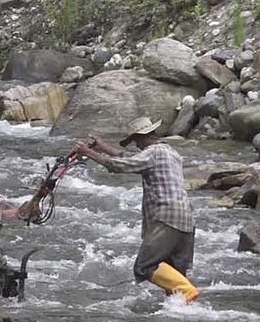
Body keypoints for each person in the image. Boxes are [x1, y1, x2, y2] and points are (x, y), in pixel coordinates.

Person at [72, 117, 200, 303]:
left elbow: (119, 165)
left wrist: (89, 153)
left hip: (166, 218)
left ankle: (187, 292)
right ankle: (183, 309)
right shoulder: (170, 151)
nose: (137, 145)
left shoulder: (153, 152)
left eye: (136, 141)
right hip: (186, 220)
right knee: (174, 277)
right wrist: (103, 147)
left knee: (145, 267)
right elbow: (132, 159)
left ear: (143, 137)